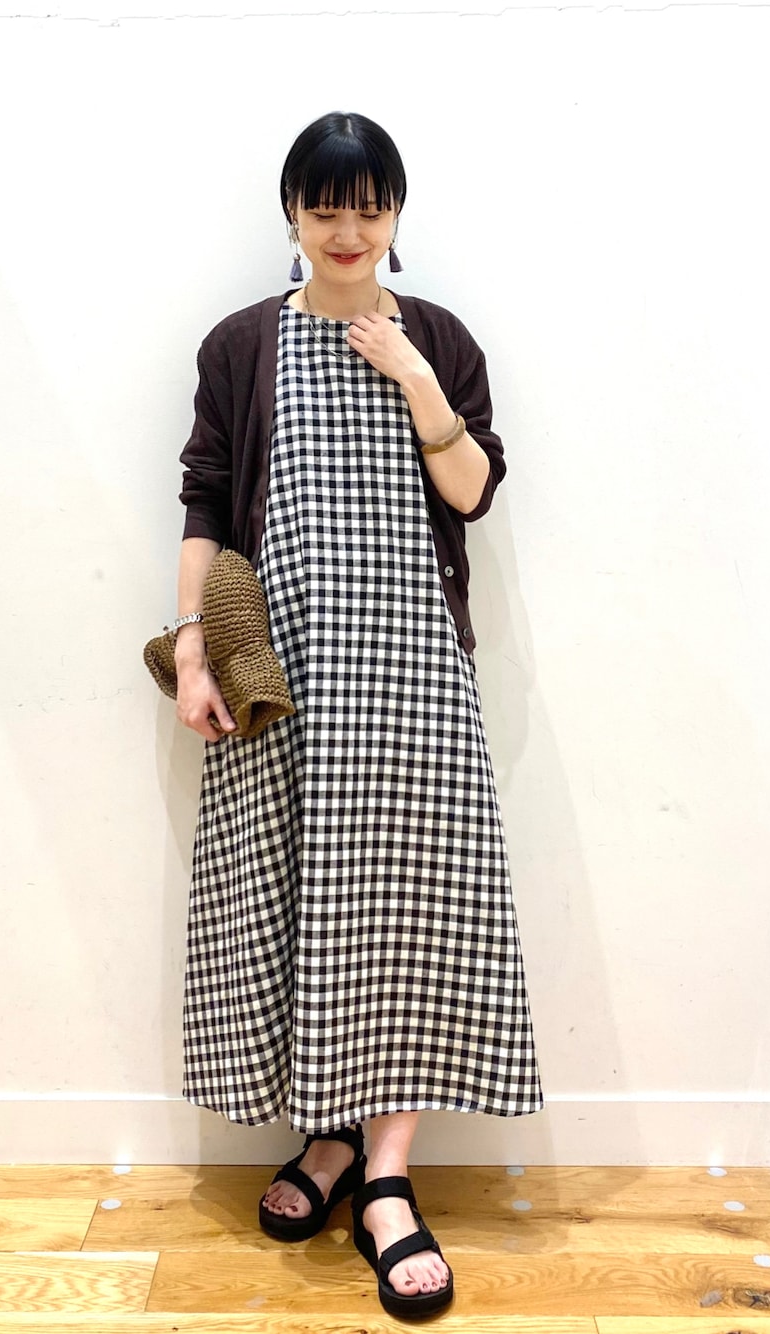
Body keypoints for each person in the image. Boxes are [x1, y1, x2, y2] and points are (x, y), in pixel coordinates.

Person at [174, 111, 544, 1320]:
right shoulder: (241, 345)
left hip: (413, 677)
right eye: (325, 206)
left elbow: (472, 491)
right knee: (294, 902)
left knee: (407, 910)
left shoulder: (439, 338)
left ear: (395, 213)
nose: (347, 229)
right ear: (292, 212)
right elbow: (205, 503)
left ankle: (384, 1174)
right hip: (283, 677)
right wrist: (194, 645)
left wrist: (416, 378)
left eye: (368, 206)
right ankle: (325, 1136)